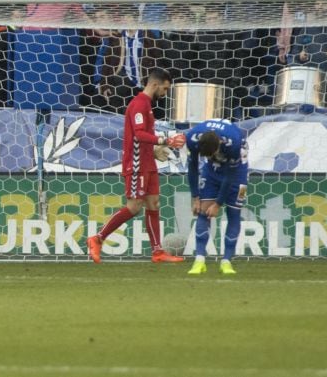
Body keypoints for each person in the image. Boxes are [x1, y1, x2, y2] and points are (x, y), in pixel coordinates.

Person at [87, 69, 187, 264]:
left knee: (154, 203)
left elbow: (143, 136)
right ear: (155, 84)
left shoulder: (147, 105)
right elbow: (139, 134)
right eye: (164, 89)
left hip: (147, 162)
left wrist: (155, 148)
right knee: (134, 207)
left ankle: (157, 251)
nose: (164, 94)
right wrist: (164, 140)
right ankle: (98, 238)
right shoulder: (139, 105)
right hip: (137, 163)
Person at [186, 119, 248, 275]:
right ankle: (199, 260)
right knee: (203, 211)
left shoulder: (233, 142)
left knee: (234, 213)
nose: (211, 156)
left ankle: (226, 262)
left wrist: (218, 203)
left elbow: (230, 176)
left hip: (239, 172)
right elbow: (192, 167)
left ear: (219, 144)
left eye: (212, 154)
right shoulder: (192, 138)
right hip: (211, 172)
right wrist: (195, 197)